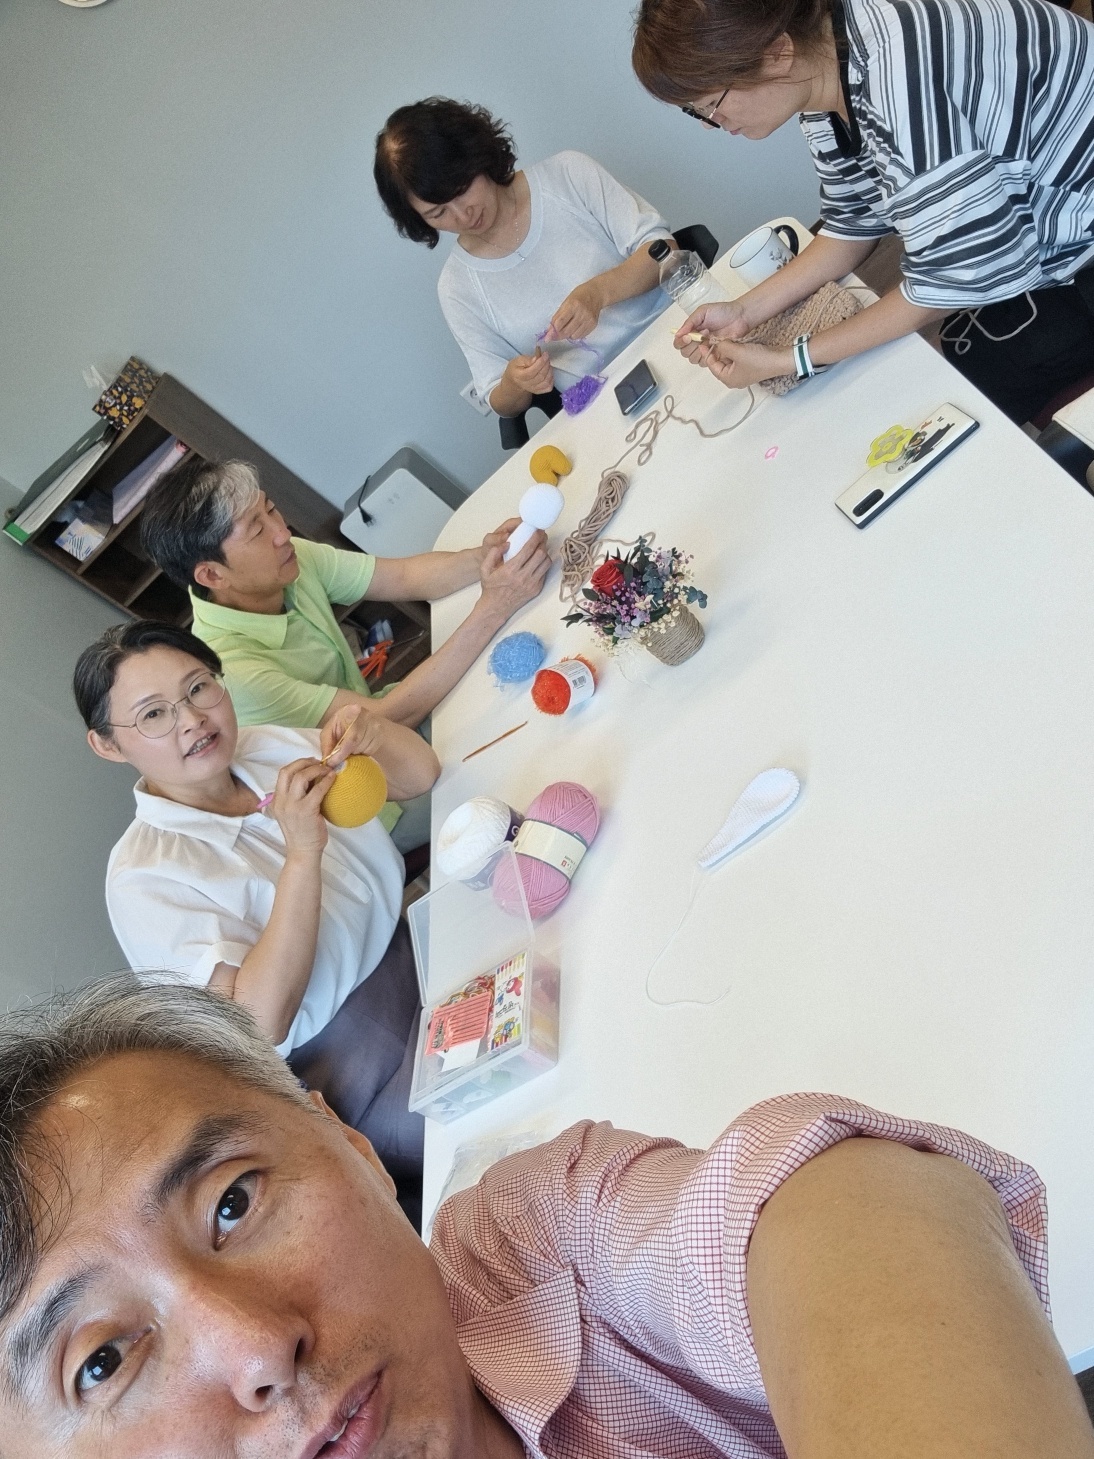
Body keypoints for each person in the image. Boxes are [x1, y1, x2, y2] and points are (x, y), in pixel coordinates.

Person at [1, 974, 1092, 1459]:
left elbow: (837, 1203)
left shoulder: (523, 1244)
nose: (256, 1347)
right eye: (100, 1362)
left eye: (234, 1200)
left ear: (351, 1148)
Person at [73, 620, 440, 1217]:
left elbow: (420, 775)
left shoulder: (265, 748)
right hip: (360, 1062)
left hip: (421, 946)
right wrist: (302, 853)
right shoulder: (142, 876)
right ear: (109, 745)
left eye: (198, 687)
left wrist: (375, 733)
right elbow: (258, 1021)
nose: (192, 720)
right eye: (154, 715)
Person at [632, 0, 1094, 425]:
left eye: (711, 104)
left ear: (777, 53)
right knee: (932, 362)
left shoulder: (896, 83)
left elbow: (953, 280)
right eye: (697, 112)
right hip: (1037, 226)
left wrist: (790, 358)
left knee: (949, 400)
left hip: (1077, 247)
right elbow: (851, 221)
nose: (713, 124)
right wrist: (742, 311)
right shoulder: (829, 61)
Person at [139, 456, 548, 850]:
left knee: (514, 695)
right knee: (518, 769)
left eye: (271, 509)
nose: (282, 532)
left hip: (395, 728)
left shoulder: (286, 560)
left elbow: (405, 577)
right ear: (212, 574)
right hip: (371, 807)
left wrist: (489, 556)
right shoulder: (234, 673)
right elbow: (385, 719)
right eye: (257, 530)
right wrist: (493, 607)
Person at [374, 97, 674, 418]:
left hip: (674, 336)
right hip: (602, 408)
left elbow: (663, 249)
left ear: (477, 157)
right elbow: (499, 398)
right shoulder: (457, 286)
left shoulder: (567, 174)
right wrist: (515, 382)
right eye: (438, 213)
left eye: (461, 189)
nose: (462, 215)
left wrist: (598, 293)